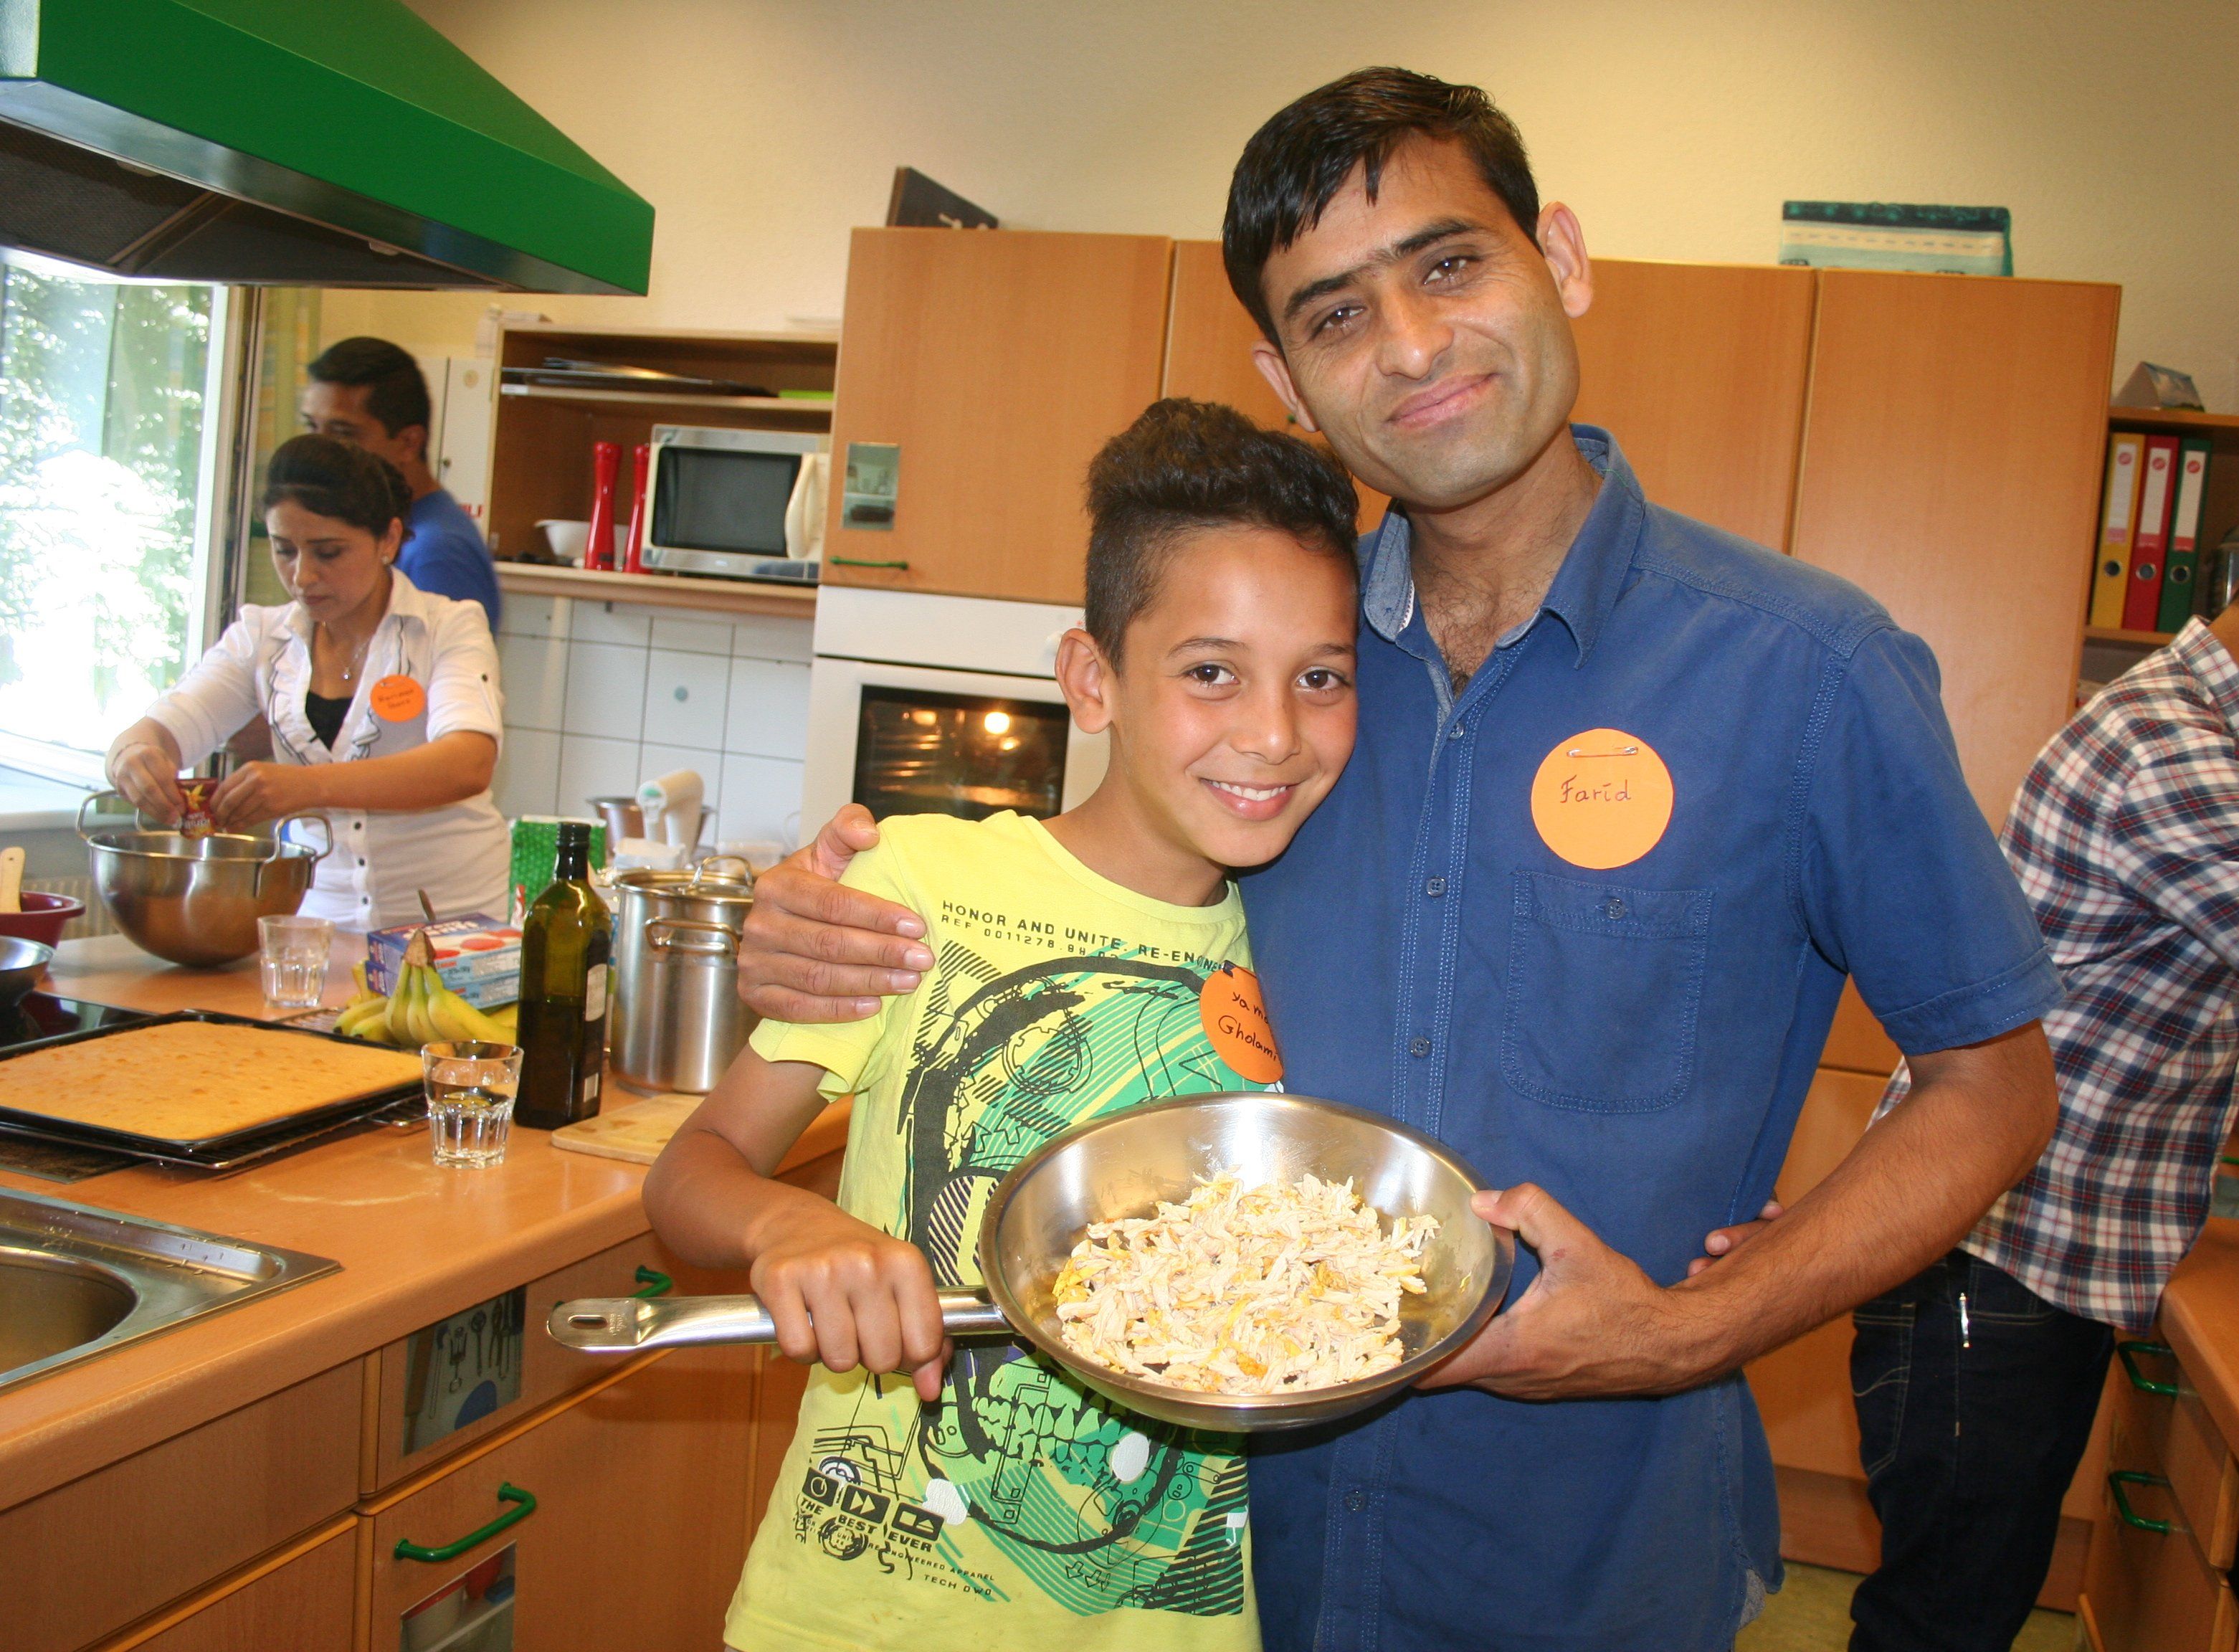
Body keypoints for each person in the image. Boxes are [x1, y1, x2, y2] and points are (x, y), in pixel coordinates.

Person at [729, 70, 2066, 1652]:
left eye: (1450, 265)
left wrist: (1693, 1327)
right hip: (1224, 1565)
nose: (1414, 346)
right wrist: (820, 918)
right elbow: (1071, 890)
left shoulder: (1805, 671)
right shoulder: (1281, 684)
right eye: (1337, 314)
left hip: (1590, 1561)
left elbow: (1996, 1083)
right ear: (1286, 379)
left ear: (1559, 259)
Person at [642, 399, 1364, 1652]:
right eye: (1210, 671)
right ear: (1093, 678)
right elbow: (689, 1174)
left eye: (1321, 677)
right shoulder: (918, 887)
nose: (1272, 734)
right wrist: (789, 1224)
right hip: (860, 1615)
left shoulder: (1317, 950)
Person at [1848, 467, 2239, 1651]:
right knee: (1941, 1621)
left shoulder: (2226, 751)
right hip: (1990, 1270)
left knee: (1960, 1603)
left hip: (2035, 1261)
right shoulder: (2170, 749)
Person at [105, 435, 508, 931]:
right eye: (284, 550)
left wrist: (307, 786)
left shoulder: (450, 626)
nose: (302, 576)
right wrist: (132, 757)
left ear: (388, 539)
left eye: (328, 552)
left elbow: (468, 762)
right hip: (317, 924)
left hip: (451, 926)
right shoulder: (262, 637)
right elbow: (167, 726)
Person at [303, 336, 501, 630]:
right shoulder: (386, 529)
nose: (319, 452)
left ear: (408, 443)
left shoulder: (436, 552)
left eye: (343, 434)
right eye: (312, 427)